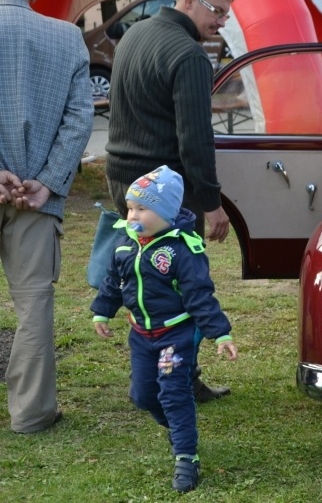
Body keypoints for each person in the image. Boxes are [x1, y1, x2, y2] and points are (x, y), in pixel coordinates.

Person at [104, 0, 237, 402]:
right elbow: (195, 140)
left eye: (227, 15)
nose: (222, 22)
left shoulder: (133, 36)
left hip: (123, 180)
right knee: (180, 285)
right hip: (165, 193)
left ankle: (148, 375)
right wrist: (211, 204)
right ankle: (179, 380)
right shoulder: (189, 55)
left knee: (141, 279)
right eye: (217, 11)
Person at [90, 165, 238, 493]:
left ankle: (187, 457)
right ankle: (174, 428)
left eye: (143, 208)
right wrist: (102, 311)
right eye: (130, 207)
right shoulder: (125, 244)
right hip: (141, 335)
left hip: (175, 335)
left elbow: (200, 295)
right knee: (142, 396)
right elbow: (114, 282)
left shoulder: (182, 249)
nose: (132, 215)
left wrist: (220, 333)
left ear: (166, 212)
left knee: (173, 393)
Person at [0, 0, 94, 433]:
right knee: (33, 304)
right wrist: (47, 182)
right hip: (37, 198)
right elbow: (80, 120)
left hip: (25, 188)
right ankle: (32, 414)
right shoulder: (67, 36)